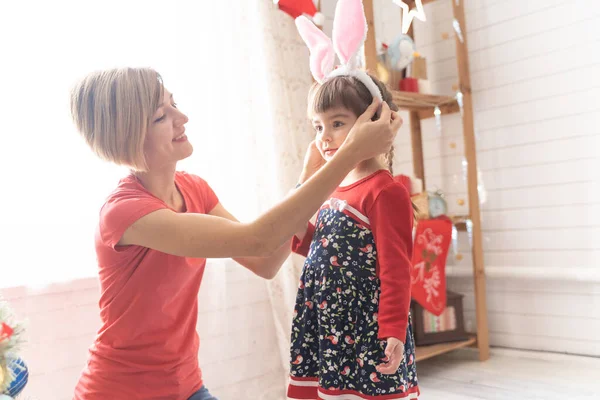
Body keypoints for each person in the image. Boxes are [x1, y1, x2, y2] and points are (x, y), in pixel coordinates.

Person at [69, 66, 401, 400]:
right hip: (119, 392)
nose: (182, 117)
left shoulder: (193, 189)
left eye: (174, 104)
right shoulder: (125, 212)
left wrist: (308, 178)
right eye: (161, 117)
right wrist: (348, 156)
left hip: (186, 386)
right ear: (127, 135)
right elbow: (257, 239)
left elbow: (265, 260)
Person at [287, 1, 419, 399]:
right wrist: (298, 222)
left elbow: (396, 268)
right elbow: (321, 249)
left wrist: (393, 328)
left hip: (365, 330)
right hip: (328, 326)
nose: (324, 137)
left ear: (373, 119)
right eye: (318, 126)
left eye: (338, 123)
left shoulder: (384, 191)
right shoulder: (333, 189)